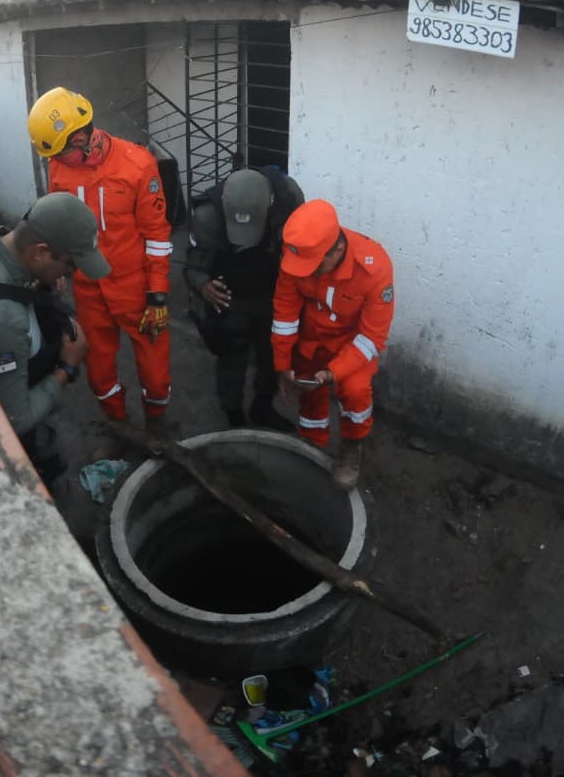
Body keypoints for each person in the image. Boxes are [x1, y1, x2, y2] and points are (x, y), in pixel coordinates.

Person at [27, 87, 173, 435]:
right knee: (99, 369)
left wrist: (157, 295)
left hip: (135, 288)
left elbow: (156, 236)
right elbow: (57, 220)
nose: (57, 162)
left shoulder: (139, 164)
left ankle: (157, 430)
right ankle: (120, 430)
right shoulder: (59, 166)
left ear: (82, 138)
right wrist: (55, 271)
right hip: (89, 288)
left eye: (63, 153)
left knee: (154, 371)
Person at [0, 192, 106, 483]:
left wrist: (44, 278)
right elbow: (14, 418)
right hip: (2, 432)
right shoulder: (3, 319)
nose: (74, 273)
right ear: (40, 252)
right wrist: (67, 367)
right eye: (70, 264)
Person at [271, 200, 395, 490]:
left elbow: (372, 338)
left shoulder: (374, 269)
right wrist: (282, 364)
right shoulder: (298, 253)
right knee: (307, 389)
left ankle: (352, 447)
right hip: (311, 339)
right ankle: (312, 445)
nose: (305, 272)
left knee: (355, 391)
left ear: (337, 250)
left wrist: (331, 373)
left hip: (351, 346)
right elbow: (285, 310)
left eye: (313, 266)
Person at [185, 168, 305, 430]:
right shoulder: (208, 217)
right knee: (230, 355)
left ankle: (263, 406)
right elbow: (193, 267)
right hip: (229, 295)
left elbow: (300, 247)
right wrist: (203, 286)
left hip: (274, 292)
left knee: (273, 355)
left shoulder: (289, 199)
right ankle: (233, 415)